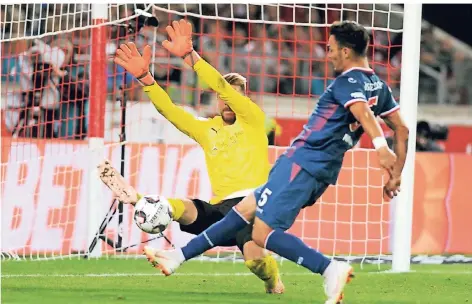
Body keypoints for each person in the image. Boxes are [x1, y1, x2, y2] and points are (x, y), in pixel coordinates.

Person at [142, 20, 409, 304]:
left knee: (261, 232)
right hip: (321, 168)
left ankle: (329, 268)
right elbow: (402, 129)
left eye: (330, 49)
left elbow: (362, 111)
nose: (327, 54)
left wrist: (381, 147)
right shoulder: (378, 86)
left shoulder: (348, 82)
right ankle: (178, 256)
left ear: (345, 51)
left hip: (303, 161)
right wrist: (396, 173)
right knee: (245, 209)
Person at [111, 26, 285, 293]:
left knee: (255, 261)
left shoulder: (253, 119)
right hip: (221, 209)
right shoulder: (207, 129)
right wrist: (146, 78)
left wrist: (192, 57)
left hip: (254, 205)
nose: (226, 101)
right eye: (222, 98)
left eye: (233, 96)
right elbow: (170, 111)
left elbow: (220, 85)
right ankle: (141, 199)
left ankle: (273, 281)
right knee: (183, 207)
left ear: (243, 98)